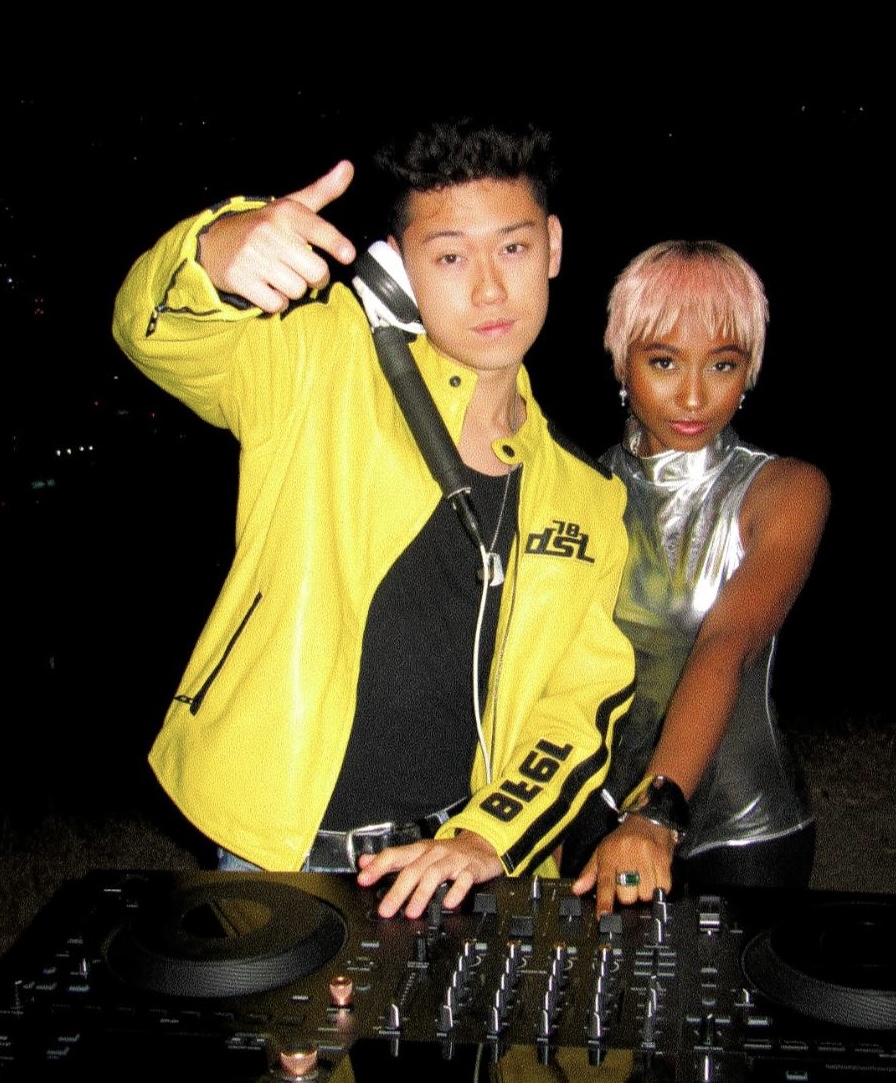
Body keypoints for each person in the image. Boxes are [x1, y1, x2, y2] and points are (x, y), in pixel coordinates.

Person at [111, 117, 635, 920]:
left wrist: (486, 835)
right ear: (396, 266)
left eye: (513, 247)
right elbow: (153, 333)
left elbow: (577, 704)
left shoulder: (587, 495)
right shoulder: (319, 360)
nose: (489, 289)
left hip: (454, 858)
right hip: (277, 842)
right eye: (449, 256)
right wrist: (216, 249)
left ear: (553, 246)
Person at [562, 240, 830, 913]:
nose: (692, 395)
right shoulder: (578, 488)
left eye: (722, 364)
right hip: (596, 809)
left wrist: (655, 811)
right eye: (663, 361)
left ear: (750, 370)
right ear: (621, 361)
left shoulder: (785, 489)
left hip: (745, 828)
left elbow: (725, 643)